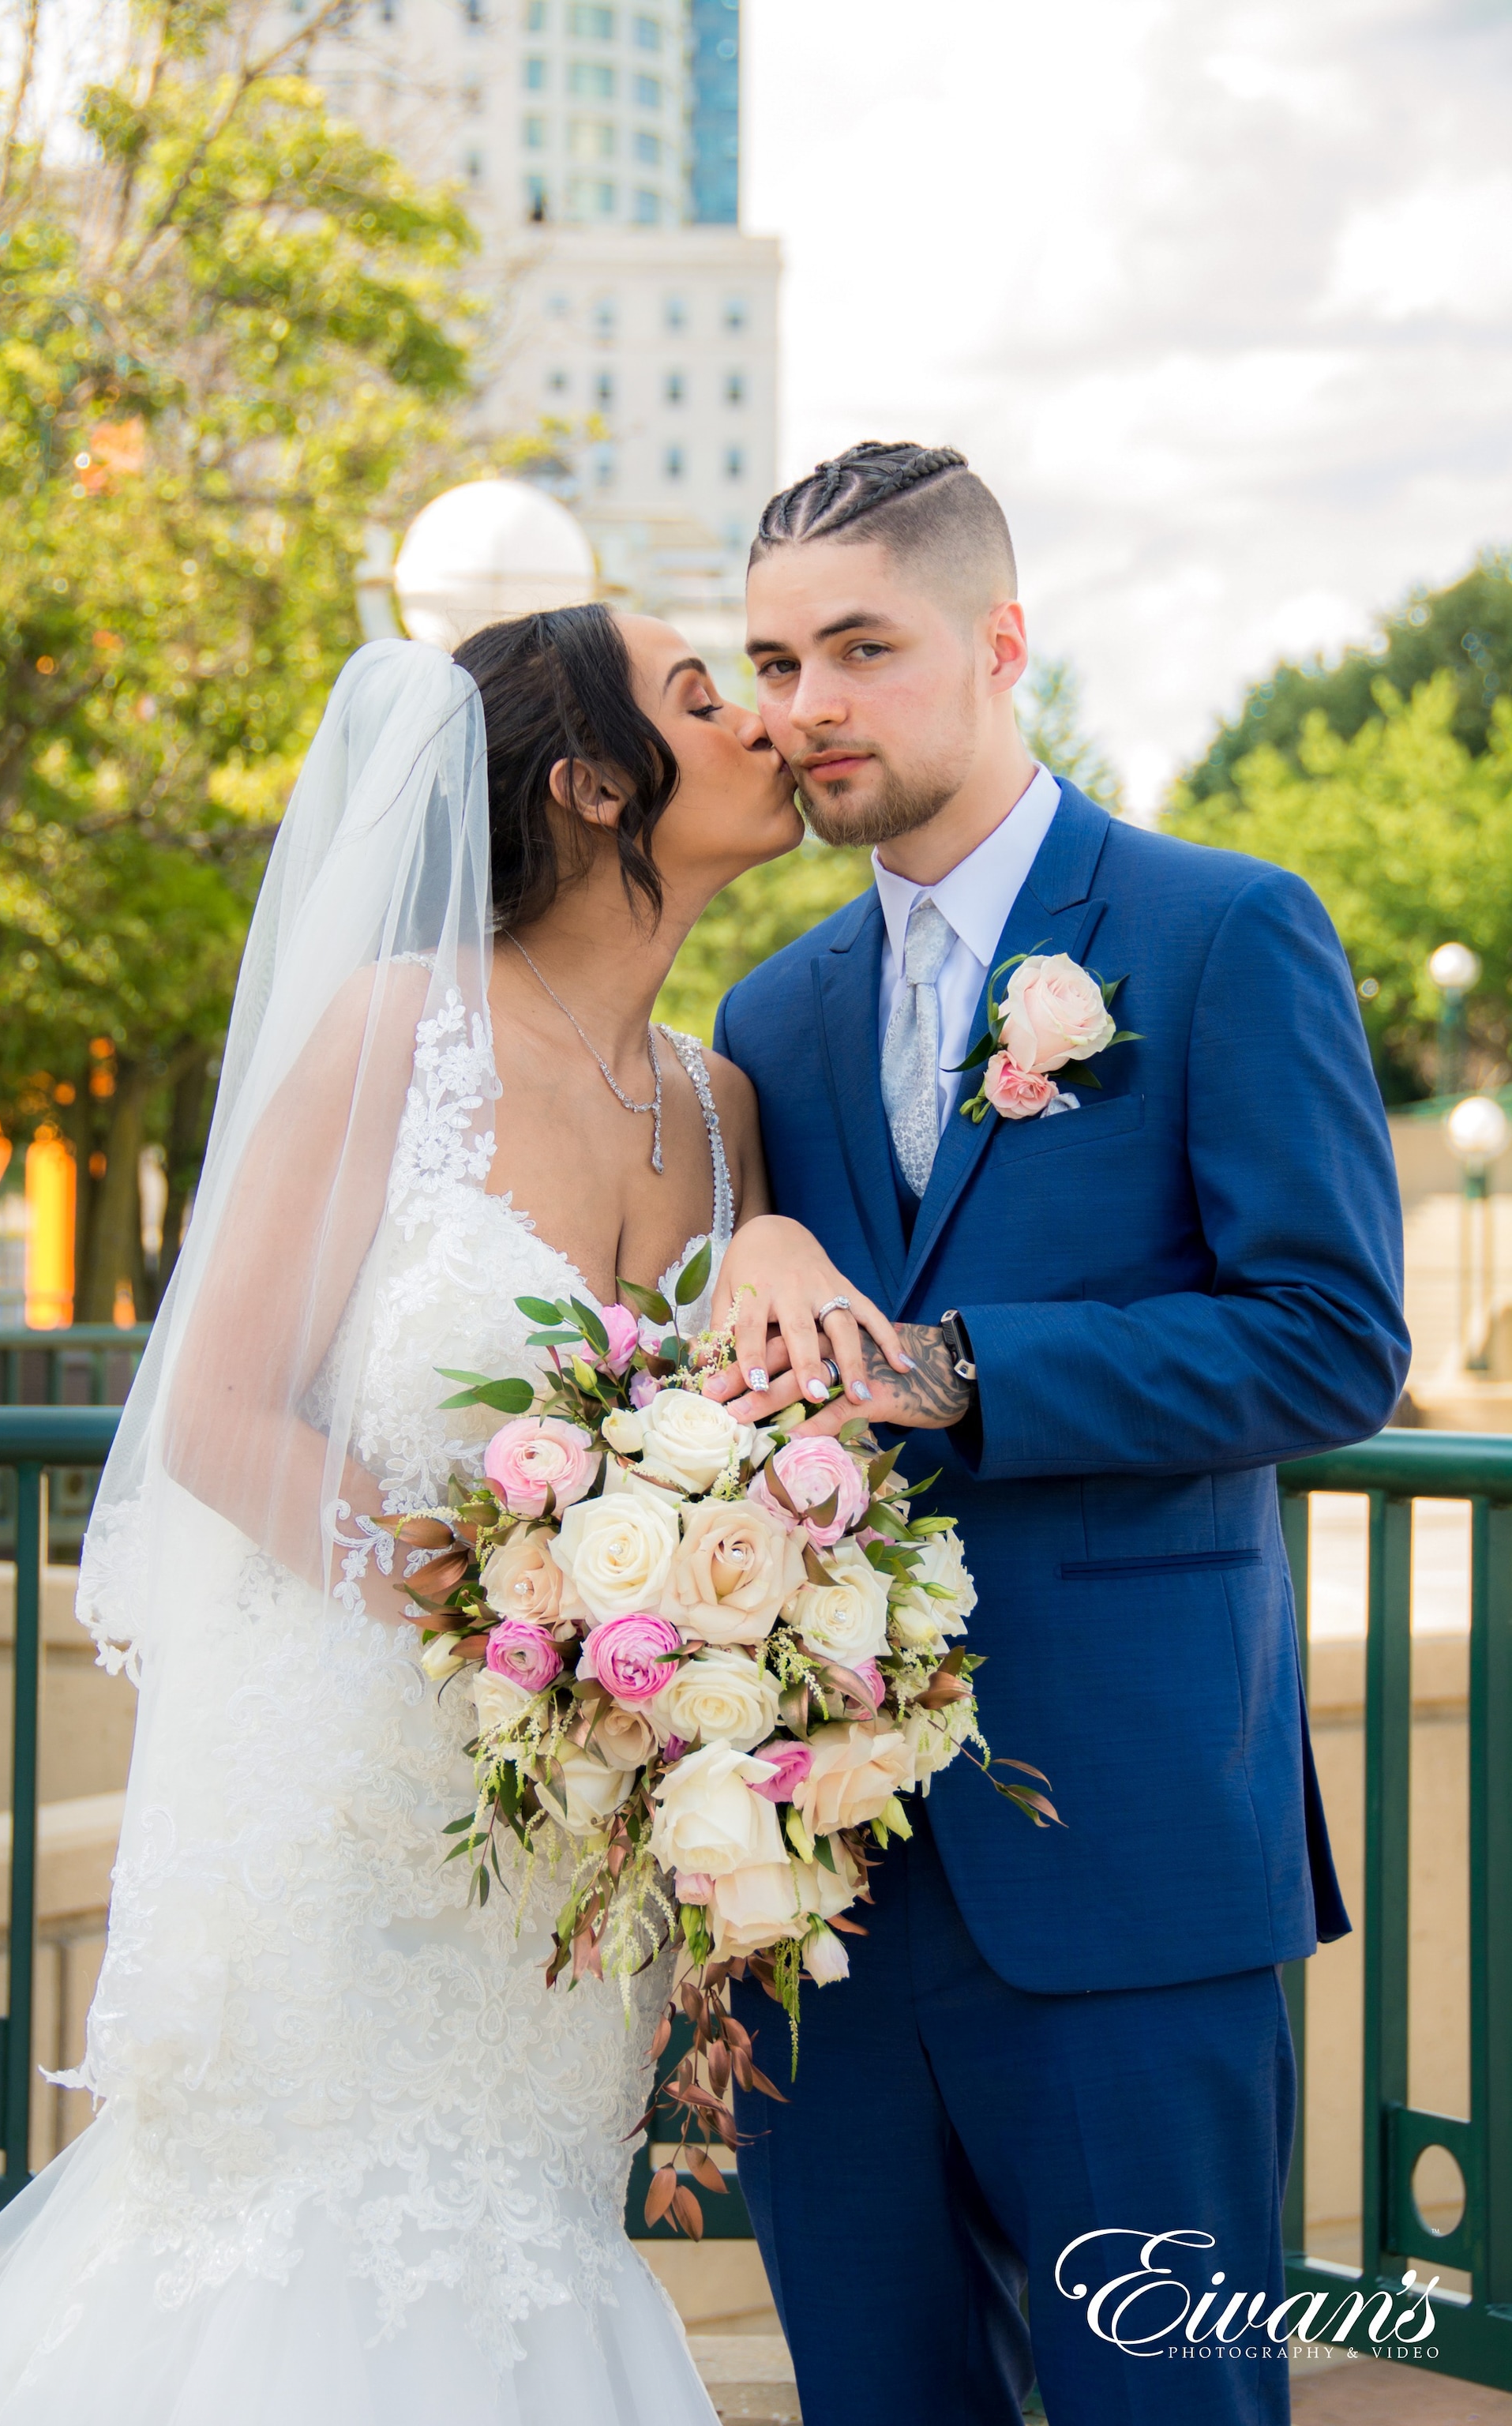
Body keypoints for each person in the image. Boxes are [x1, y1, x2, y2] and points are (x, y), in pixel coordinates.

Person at [0, 606, 902, 2425]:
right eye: (706, 696)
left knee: (519, 2255)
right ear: (597, 783)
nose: (766, 722)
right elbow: (217, 1412)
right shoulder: (399, 1029)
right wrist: (513, 1623)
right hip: (354, 1817)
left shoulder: (720, 1102)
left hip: (564, 1871)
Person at [707, 441, 1409, 2426]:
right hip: (819, 1891)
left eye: (862, 645)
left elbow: (1333, 1342)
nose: (806, 705)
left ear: (1000, 644)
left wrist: (953, 1373)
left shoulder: (1216, 933)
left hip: (1127, 1867)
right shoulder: (767, 1015)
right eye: (771, 660)